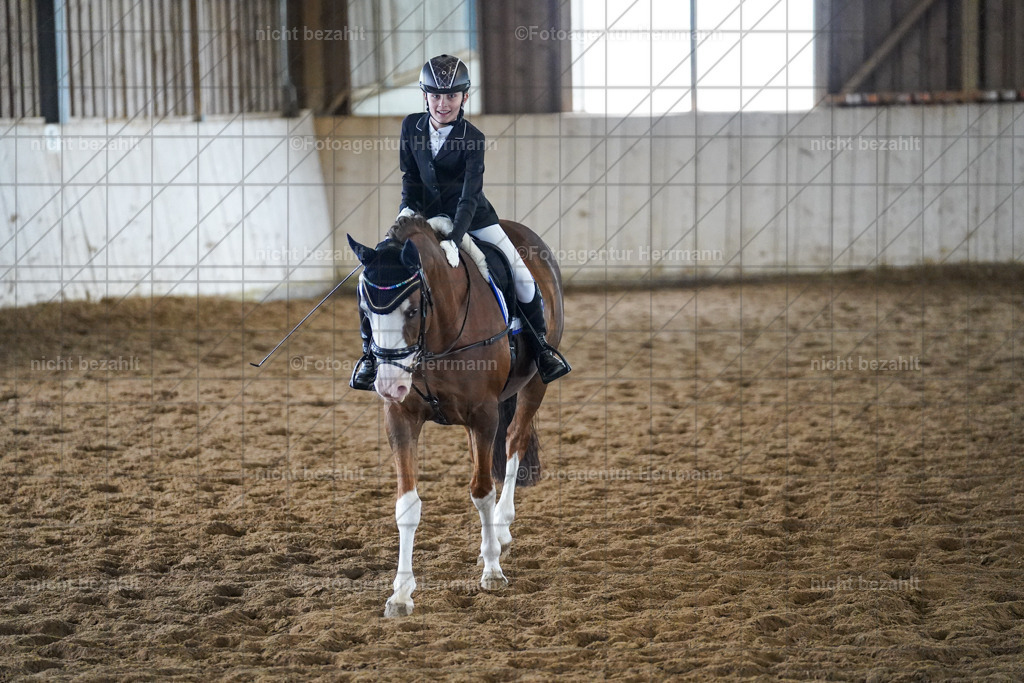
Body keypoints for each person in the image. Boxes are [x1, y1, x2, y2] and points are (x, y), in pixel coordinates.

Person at [351, 54, 571, 390]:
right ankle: (369, 355)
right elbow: (410, 177)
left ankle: (542, 349)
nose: (443, 104)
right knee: (373, 273)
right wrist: (406, 212)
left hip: (471, 219)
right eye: (436, 96)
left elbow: (470, 195)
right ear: (425, 95)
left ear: (464, 97)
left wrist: (454, 237)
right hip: (420, 218)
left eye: (451, 96)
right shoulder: (411, 126)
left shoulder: (473, 138)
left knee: (522, 275)